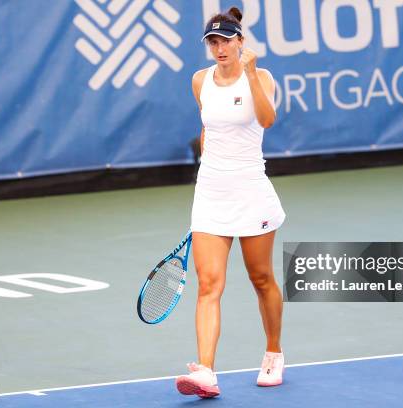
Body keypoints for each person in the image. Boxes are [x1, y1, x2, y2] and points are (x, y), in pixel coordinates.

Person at [175, 6, 286, 399]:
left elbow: (268, 119)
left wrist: (252, 74)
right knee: (208, 285)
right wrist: (205, 171)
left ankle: (273, 352)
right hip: (210, 194)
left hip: (251, 191)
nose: (219, 48)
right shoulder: (199, 81)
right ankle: (206, 371)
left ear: (241, 41)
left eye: (226, 40)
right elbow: (208, 127)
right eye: (213, 42)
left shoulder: (263, 76)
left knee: (261, 278)